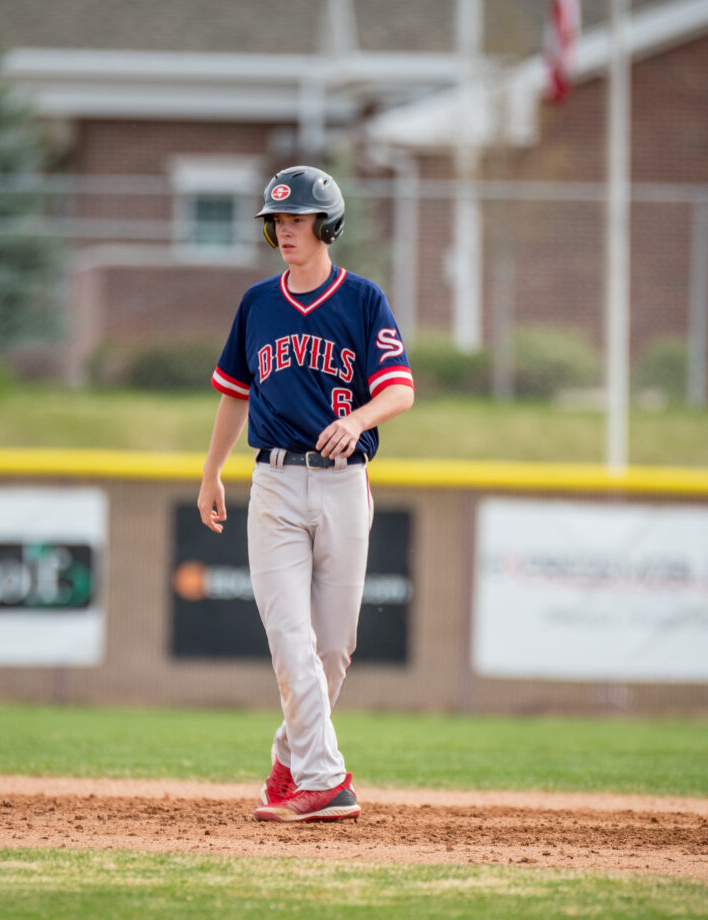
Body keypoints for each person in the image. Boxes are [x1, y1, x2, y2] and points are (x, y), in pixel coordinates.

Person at [197, 165, 414, 822]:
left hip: (345, 486)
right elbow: (235, 394)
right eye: (277, 221)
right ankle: (325, 779)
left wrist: (358, 419)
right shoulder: (259, 303)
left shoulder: (362, 299)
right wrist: (211, 472)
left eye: (297, 220)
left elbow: (399, 389)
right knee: (289, 632)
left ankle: (288, 764)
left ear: (327, 225)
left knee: (331, 648)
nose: (285, 231)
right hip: (275, 483)